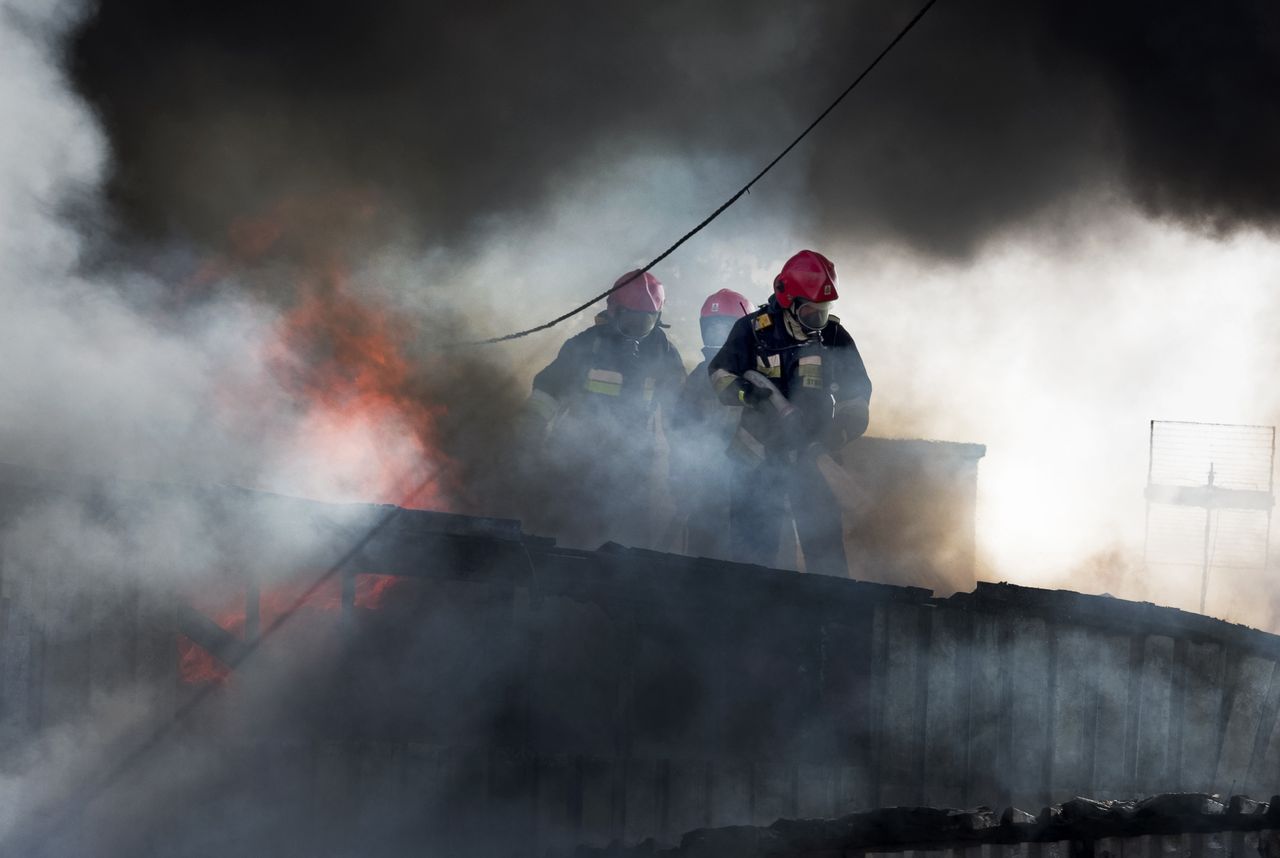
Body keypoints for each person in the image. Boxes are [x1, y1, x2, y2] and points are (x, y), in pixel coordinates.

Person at [707, 250, 871, 575]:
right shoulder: (752, 332)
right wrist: (747, 393)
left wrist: (835, 436)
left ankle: (827, 621)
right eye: (811, 311)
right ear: (787, 300)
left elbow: (856, 400)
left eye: (824, 312)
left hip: (813, 462)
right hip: (755, 460)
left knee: (826, 558)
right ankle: (750, 616)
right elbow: (719, 374)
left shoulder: (834, 339)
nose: (818, 321)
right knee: (752, 556)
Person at [521, 269, 687, 548]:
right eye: (631, 320)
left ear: (657, 317)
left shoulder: (663, 353)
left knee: (628, 543)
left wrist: (681, 470)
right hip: (580, 458)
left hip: (634, 465)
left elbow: (680, 416)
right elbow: (548, 390)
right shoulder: (586, 345)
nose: (637, 329)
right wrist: (530, 435)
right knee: (575, 535)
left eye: (645, 321)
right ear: (613, 311)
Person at [667, 289, 753, 558]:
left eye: (724, 328)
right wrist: (680, 478)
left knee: (749, 557)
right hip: (705, 486)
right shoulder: (698, 376)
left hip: (749, 485)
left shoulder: (760, 370)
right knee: (701, 556)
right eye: (712, 328)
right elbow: (680, 429)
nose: (717, 335)